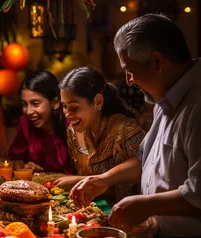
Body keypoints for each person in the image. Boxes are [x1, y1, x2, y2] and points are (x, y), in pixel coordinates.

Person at [70, 14, 201, 238]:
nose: (128, 80)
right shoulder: (167, 99)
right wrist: (104, 179)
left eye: (129, 69)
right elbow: (144, 158)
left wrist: (144, 205)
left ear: (157, 61)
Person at [54, 66, 145, 200]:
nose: (67, 114)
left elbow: (146, 167)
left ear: (97, 102)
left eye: (74, 107)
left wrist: (80, 181)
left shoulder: (124, 130)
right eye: (64, 106)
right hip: (90, 211)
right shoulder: (73, 131)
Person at [8, 70, 73, 174]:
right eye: (24, 104)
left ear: (55, 103)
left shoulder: (72, 124)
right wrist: (25, 166)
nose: (28, 111)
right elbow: (15, 159)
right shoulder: (25, 123)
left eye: (35, 103)